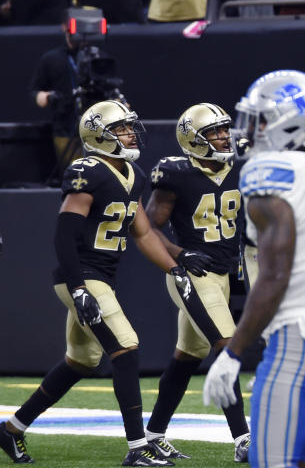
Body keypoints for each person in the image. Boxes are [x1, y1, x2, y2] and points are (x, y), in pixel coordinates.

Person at [0, 100, 194, 467]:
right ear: (99, 135)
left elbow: (144, 234)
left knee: (82, 361)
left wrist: (173, 266)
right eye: (120, 128)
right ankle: (138, 448)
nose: (129, 133)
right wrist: (78, 288)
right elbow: (63, 236)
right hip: (82, 277)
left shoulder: (133, 173)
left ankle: (11, 429)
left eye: (128, 127)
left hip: (100, 278)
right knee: (126, 347)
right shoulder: (87, 170)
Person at [203, 70, 305, 468]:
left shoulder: (273, 171)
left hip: (301, 337)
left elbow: (275, 274)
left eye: (260, 119)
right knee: (301, 459)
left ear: (290, 122)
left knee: (273, 463)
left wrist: (234, 352)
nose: (252, 130)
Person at [143, 104, 250, 463]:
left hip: (223, 272)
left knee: (187, 357)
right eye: (214, 133)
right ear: (194, 140)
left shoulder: (241, 162)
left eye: (225, 130)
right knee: (227, 344)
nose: (224, 137)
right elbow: (147, 226)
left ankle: (153, 434)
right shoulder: (175, 174)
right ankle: (243, 439)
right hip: (191, 273)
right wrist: (180, 253)